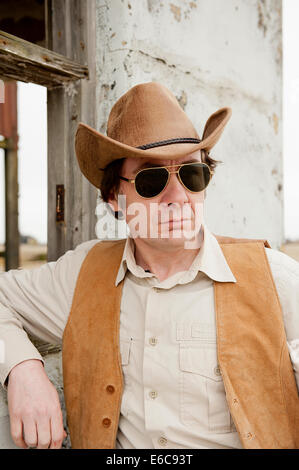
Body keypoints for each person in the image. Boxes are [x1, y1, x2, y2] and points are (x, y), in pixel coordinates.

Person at [0, 82, 298, 450]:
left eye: (192, 175)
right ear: (115, 197)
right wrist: (22, 368)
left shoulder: (275, 279)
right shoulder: (82, 275)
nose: (178, 197)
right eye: (151, 179)